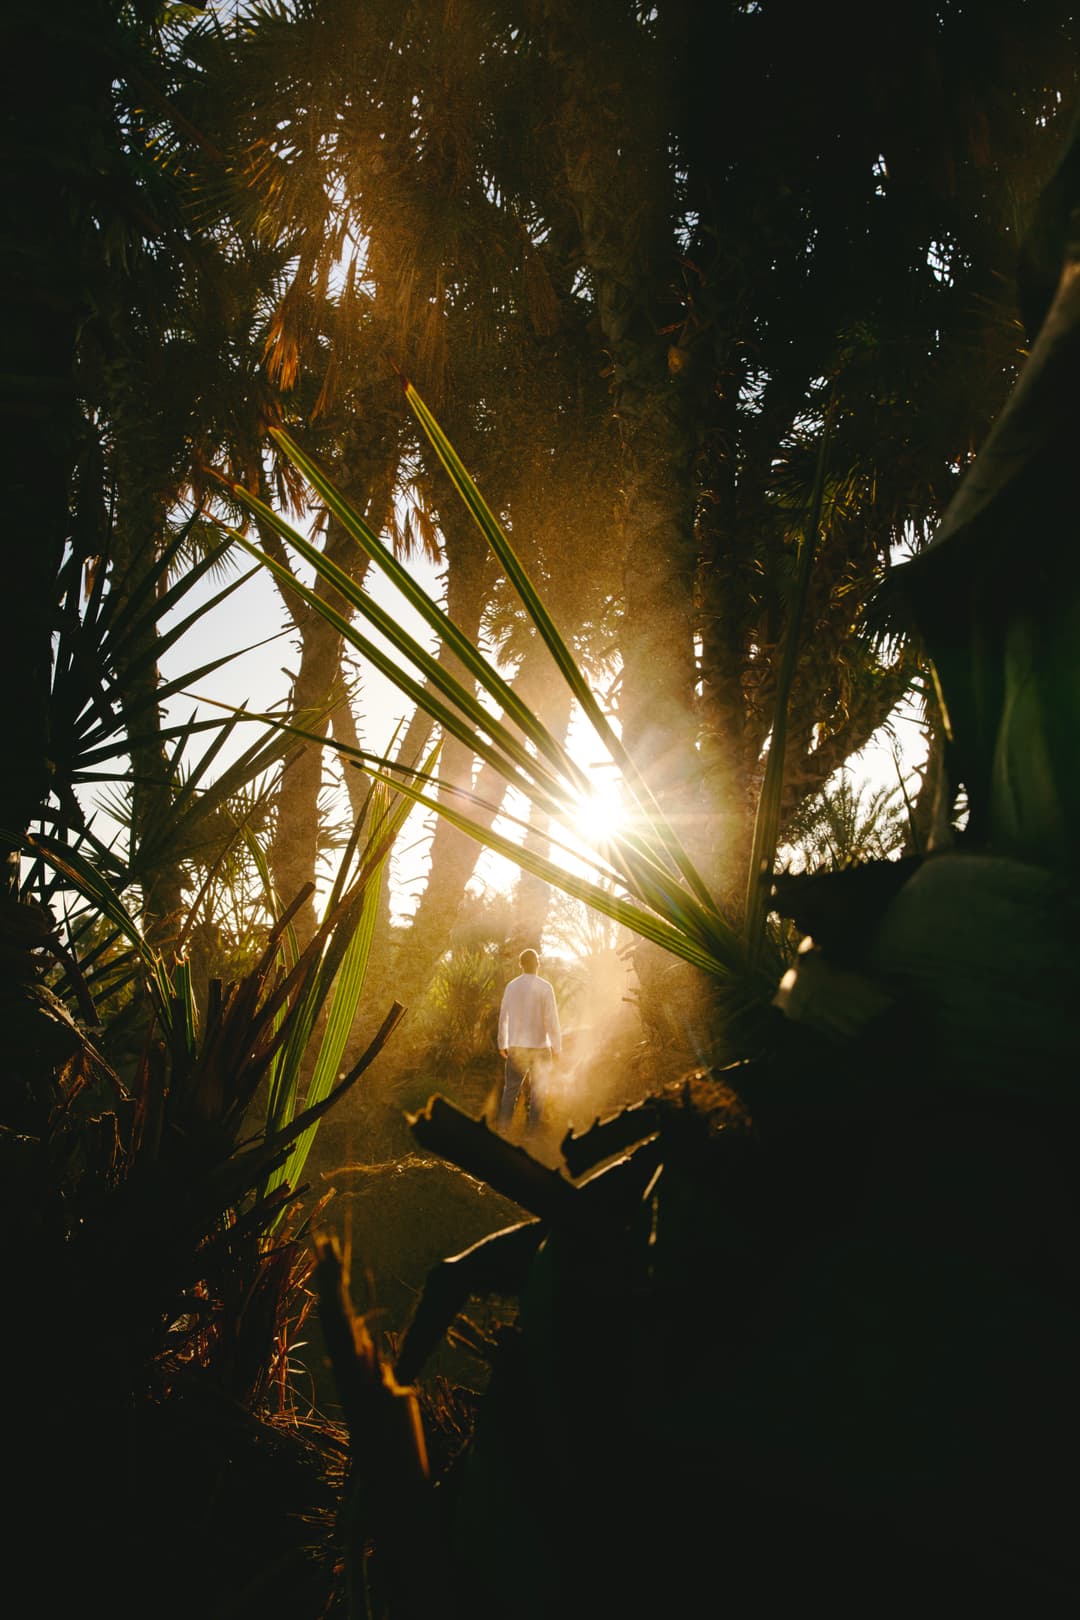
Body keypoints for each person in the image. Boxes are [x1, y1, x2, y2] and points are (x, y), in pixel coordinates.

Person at [496, 947, 561, 1135]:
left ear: (521, 965)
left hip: (516, 1047)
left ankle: (503, 1130)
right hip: (541, 1047)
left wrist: (503, 1043)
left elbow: (504, 1017)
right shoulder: (545, 987)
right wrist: (557, 1047)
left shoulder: (511, 986)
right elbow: (551, 1019)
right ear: (537, 964)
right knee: (539, 1091)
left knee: (511, 1090)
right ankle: (532, 1134)